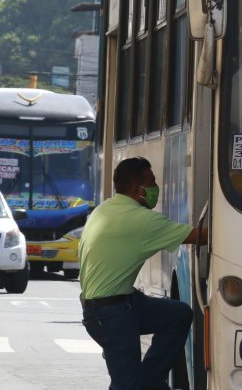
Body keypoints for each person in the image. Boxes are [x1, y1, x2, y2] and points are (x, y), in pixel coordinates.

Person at [79, 157, 206, 390]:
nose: (156, 188)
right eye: (152, 183)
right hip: (111, 314)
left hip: (118, 304)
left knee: (178, 315)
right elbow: (200, 236)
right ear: (138, 189)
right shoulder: (143, 220)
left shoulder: (103, 210)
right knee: (125, 386)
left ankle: (147, 383)